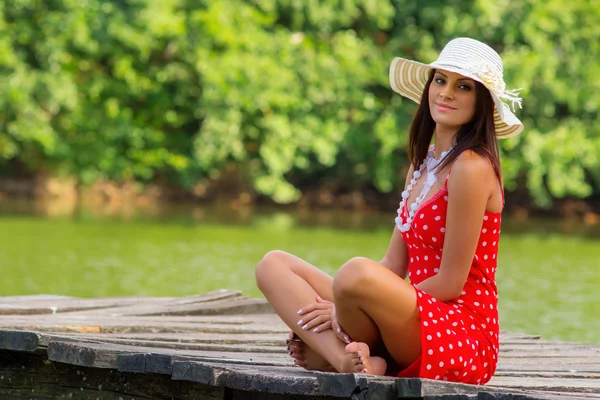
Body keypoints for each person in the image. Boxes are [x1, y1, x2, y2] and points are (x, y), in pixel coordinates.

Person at [255, 37, 523, 384]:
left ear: (481, 102)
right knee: (273, 265)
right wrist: (347, 302)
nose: (446, 93)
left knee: (355, 275)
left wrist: (341, 306)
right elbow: (392, 267)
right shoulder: (421, 165)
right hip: (413, 312)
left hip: (460, 331)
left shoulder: (472, 167)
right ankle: (347, 360)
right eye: (440, 80)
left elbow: (451, 283)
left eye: (463, 87)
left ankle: (347, 351)